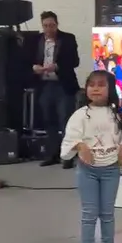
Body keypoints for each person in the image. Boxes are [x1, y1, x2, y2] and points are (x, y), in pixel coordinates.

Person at [60, 70, 122, 243]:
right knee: (89, 213)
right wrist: (80, 145)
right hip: (88, 171)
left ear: (110, 89)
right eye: (91, 85)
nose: (95, 89)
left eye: (101, 85)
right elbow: (70, 140)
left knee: (107, 213)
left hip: (111, 170)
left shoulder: (118, 115)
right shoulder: (80, 115)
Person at [31, 11, 80, 168]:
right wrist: (34, 67)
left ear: (57, 24)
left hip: (63, 85)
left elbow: (75, 61)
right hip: (45, 85)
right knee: (48, 120)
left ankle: (68, 156)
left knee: (65, 120)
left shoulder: (68, 39)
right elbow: (28, 59)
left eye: (51, 25)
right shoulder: (37, 40)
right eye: (46, 26)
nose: (49, 29)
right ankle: (52, 154)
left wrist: (57, 66)